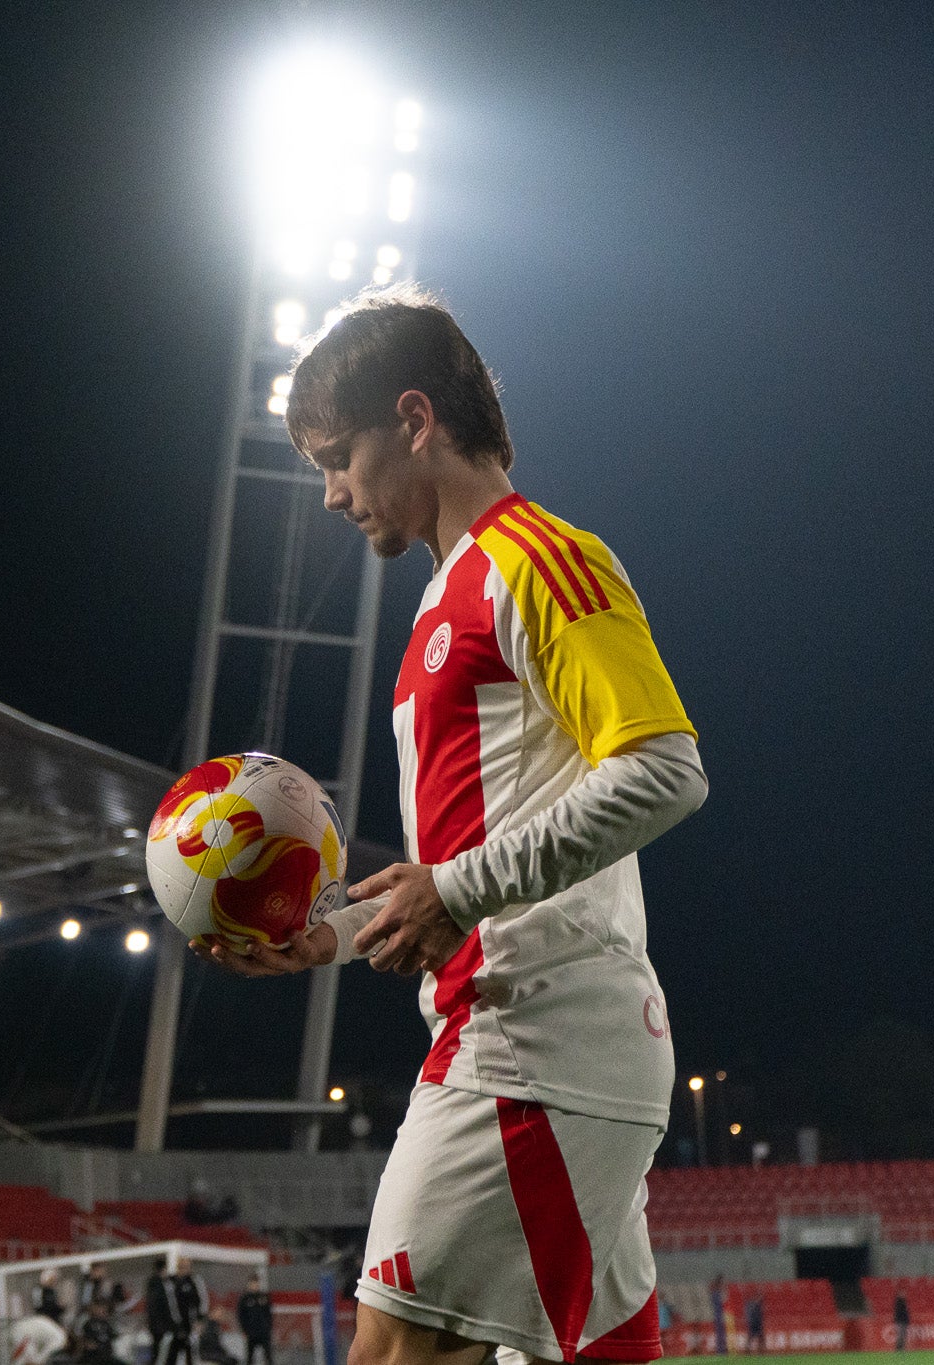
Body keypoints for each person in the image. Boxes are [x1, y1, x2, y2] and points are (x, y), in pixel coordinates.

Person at [200, 285, 706, 1365]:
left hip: (529, 1043)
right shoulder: (445, 599)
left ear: (416, 420)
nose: (331, 495)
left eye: (337, 457)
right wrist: (324, 932)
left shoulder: (535, 560)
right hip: (540, 1043)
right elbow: (449, 871)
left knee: (389, 1354)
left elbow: (664, 770)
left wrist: (455, 891)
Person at [146, 1264, 192, 1365]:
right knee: (162, 1354)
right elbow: (168, 1308)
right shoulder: (159, 1286)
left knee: (163, 1353)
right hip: (163, 1327)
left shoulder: (158, 1285)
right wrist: (174, 1324)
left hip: (161, 1327)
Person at [236, 1275, 273, 1365]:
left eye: (256, 1284)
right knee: (250, 1357)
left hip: (264, 1331)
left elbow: (269, 1314)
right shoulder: (244, 1299)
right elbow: (241, 1316)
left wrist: (268, 1327)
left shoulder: (264, 1297)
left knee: (268, 1356)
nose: (255, 1286)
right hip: (251, 1332)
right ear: (249, 1284)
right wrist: (244, 1330)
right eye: (253, 1284)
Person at [78, 1298, 119, 1365]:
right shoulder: (88, 1324)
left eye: (105, 1311)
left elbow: (111, 1338)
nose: (103, 1312)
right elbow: (88, 1344)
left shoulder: (107, 1325)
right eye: (100, 1309)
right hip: (92, 1358)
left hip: (105, 1356)